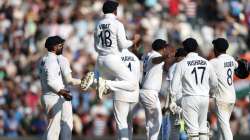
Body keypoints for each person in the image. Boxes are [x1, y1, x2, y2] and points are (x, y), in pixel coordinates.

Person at [81, 0, 141, 100]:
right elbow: (123, 45)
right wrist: (134, 41)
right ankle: (104, 82)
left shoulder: (98, 24)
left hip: (100, 59)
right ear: (115, 11)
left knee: (104, 88)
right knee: (133, 84)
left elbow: (96, 47)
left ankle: (94, 81)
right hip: (112, 59)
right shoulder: (117, 24)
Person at [170, 38, 218, 140]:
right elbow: (214, 83)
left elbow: (174, 86)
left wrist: (172, 101)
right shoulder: (206, 62)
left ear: (185, 49)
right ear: (196, 48)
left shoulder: (182, 64)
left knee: (193, 132)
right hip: (204, 98)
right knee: (203, 129)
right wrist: (212, 94)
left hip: (190, 98)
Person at [38, 36, 73, 140]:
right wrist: (63, 92)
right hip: (52, 97)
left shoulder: (44, 59)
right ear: (54, 47)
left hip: (47, 96)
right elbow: (50, 81)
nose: (62, 47)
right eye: (60, 45)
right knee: (54, 129)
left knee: (51, 128)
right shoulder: (52, 60)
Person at [140, 39, 170, 140]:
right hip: (150, 92)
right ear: (162, 48)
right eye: (165, 47)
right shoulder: (155, 56)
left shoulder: (147, 55)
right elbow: (155, 60)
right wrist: (163, 57)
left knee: (150, 123)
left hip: (146, 91)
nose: (166, 49)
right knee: (157, 122)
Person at [209, 38, 238, 140]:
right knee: (221, 125)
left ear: (216, 49)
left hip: (222, 98)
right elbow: (237, 65)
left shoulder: (215, 62)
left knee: (224, 125)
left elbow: (203, 67)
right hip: (232, 97)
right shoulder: (231, 59)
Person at [112, 48, 140, 140]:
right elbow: (138, 77)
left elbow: (111, 75)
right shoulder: (135, 58)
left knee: (121, 122)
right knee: (129, 123)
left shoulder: (115, 57)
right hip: (134, 93)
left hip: (120, 92)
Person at [162, 48, 187, 140]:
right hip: (187, 98)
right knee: (186, 127)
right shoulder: (187, 64)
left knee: (174, 128)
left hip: (175, 99)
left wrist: (167, 103)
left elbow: (170, 87)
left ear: (178, 57)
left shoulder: (173, 67)